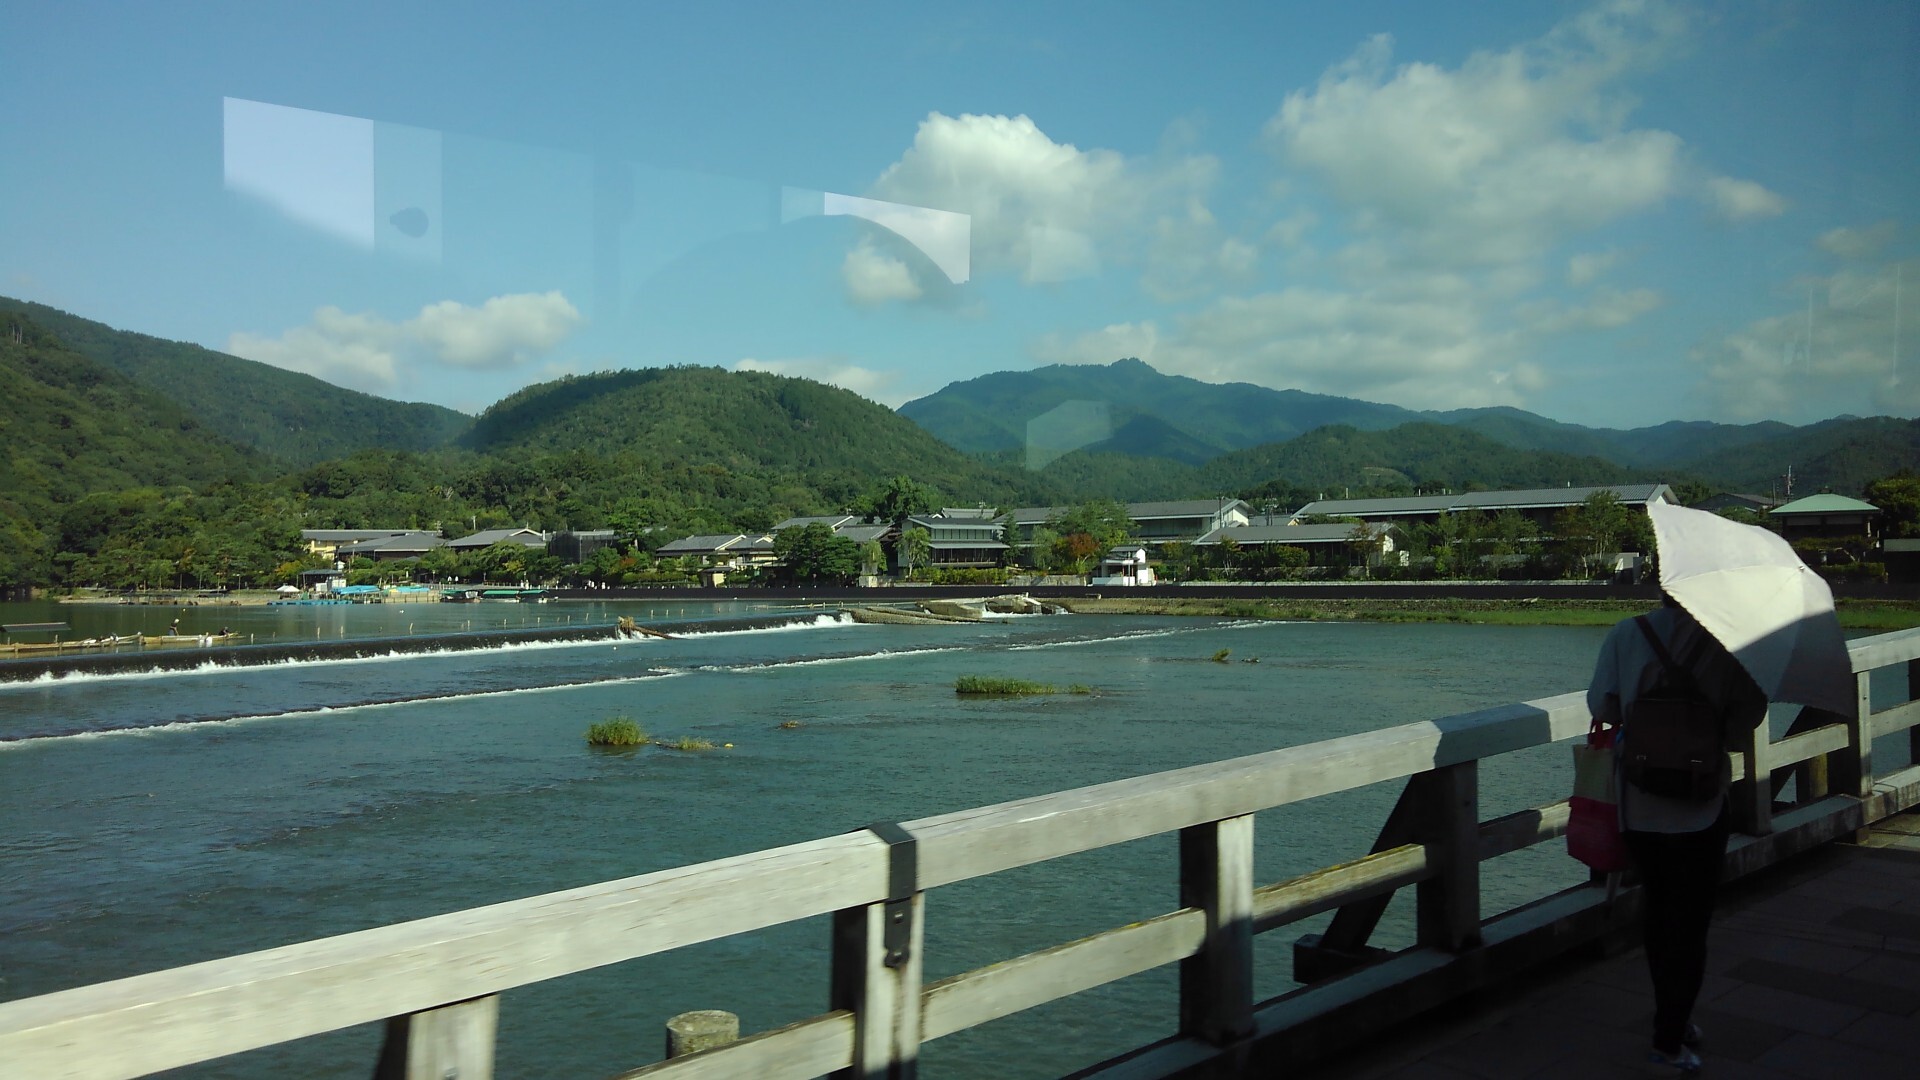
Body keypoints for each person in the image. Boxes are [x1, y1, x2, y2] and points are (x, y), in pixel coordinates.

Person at [1588, 595, 1766, 1076]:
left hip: (1638, 801)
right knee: (1691, 923)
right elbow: (1748, 714)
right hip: (1701, 801)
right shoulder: (1728, 642)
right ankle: (1670, 1034)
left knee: (1658, 911)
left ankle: (1673, 1021)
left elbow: (1601, 702)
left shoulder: (1628, 633)